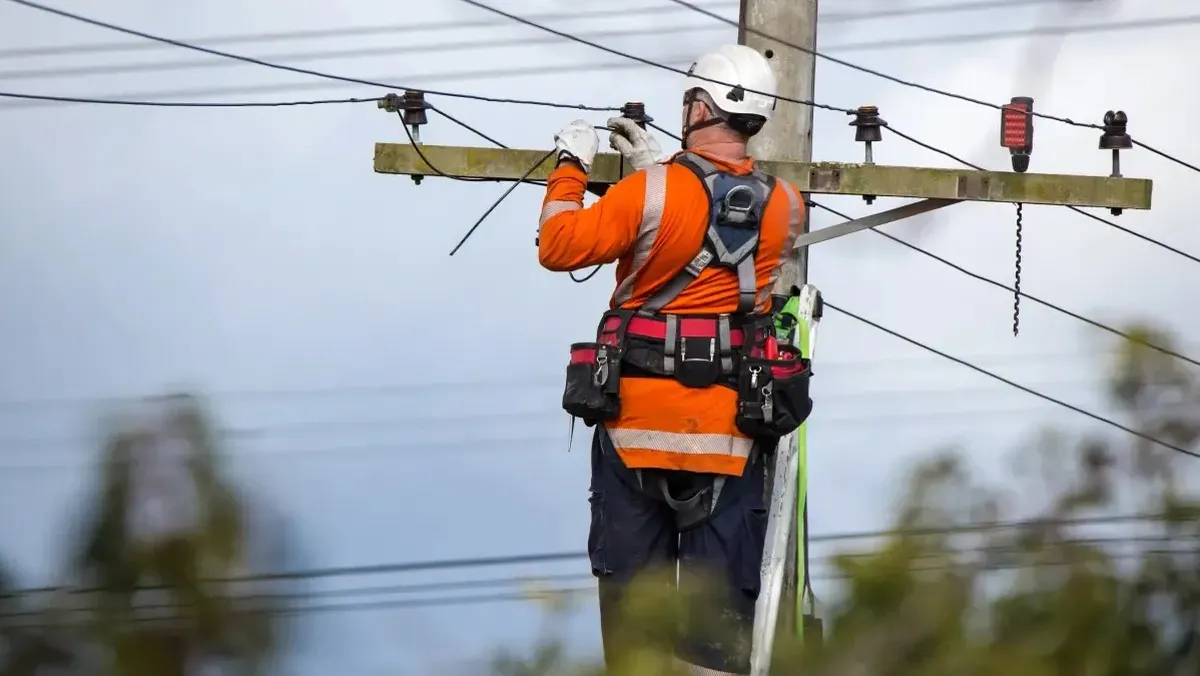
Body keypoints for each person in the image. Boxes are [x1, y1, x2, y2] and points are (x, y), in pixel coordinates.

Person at [537, 44, 812, 675]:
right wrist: (658, 172)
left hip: (634, 434)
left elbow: (558, 244)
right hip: (728, 440)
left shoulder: (647, 192)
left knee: (639, 630)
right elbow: (718, 221)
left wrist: (571, 166)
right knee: (717, 642)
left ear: (700, 105)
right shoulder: (785, 206)